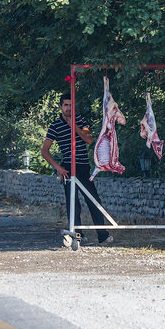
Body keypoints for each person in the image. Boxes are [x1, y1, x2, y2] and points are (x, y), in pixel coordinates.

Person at [41, 93, 114, 245]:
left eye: (71, 105)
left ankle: (103, 235)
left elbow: (88, 139)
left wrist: (74, 126)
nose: (68, 108)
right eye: (66, 105)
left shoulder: (80, 120)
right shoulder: (55, 125)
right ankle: (78, 237)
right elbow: (44, 151)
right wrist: (58, 168)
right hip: (67, 166)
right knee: (73, 204)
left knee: (93, 200)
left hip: (83, 166)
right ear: (61, 107)